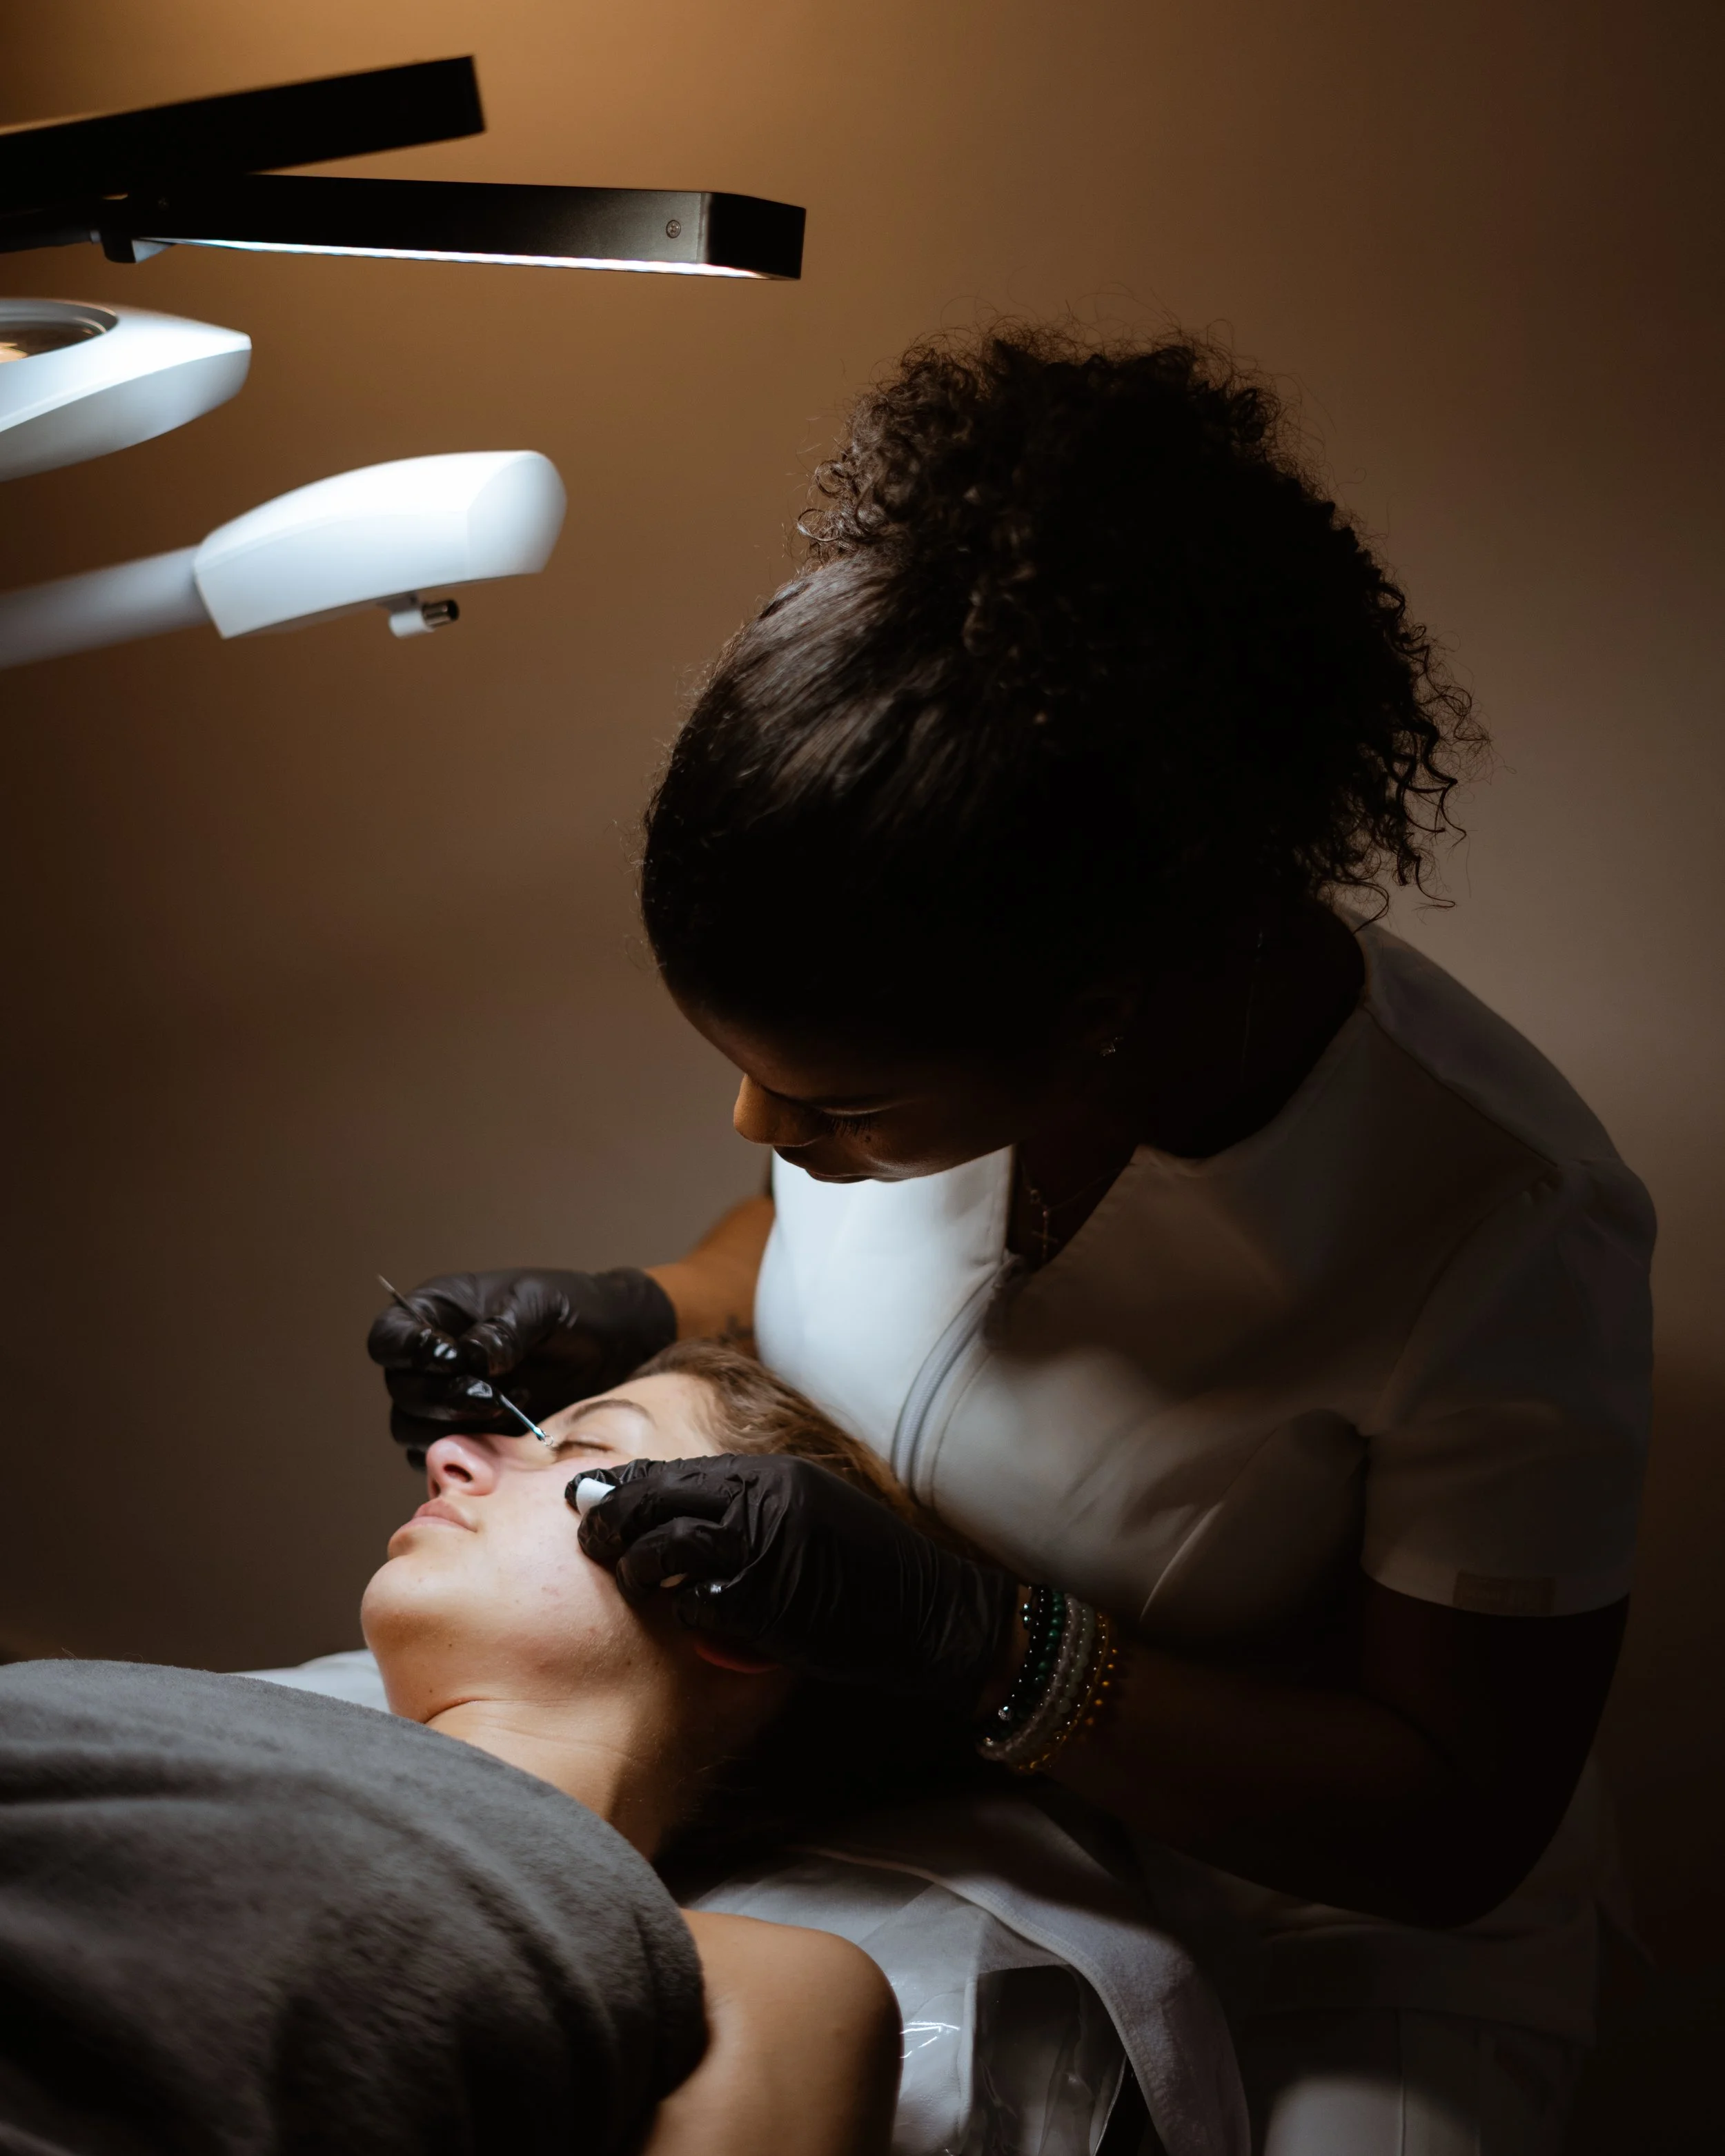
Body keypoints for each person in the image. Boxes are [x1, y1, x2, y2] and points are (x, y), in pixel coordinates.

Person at [370, 326, 1654, 2154]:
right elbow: (827, 1250)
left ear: (1104, 1017)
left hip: (1329, 1927)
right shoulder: (936, 1001)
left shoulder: (1504, 1227)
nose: (764, 1133)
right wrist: (627, 1308)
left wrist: (978, 1644)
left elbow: (1449, 1815)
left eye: (833, 1110)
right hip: (933, 1809)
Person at [0, 1344, 903, 2156]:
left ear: (739, 1603)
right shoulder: (195, 1717)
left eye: (583, 1450)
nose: (449, 1454)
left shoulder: (749, 1984)